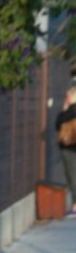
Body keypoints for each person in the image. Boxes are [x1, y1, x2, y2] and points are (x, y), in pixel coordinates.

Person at [55, 84, 76, 214]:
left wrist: (64, 108)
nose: (66, 98)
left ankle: (75, 204)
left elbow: (58, 124)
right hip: (70, 146)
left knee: (72, 175)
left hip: (70, 146)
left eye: (67, 95)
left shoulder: (71, 111)